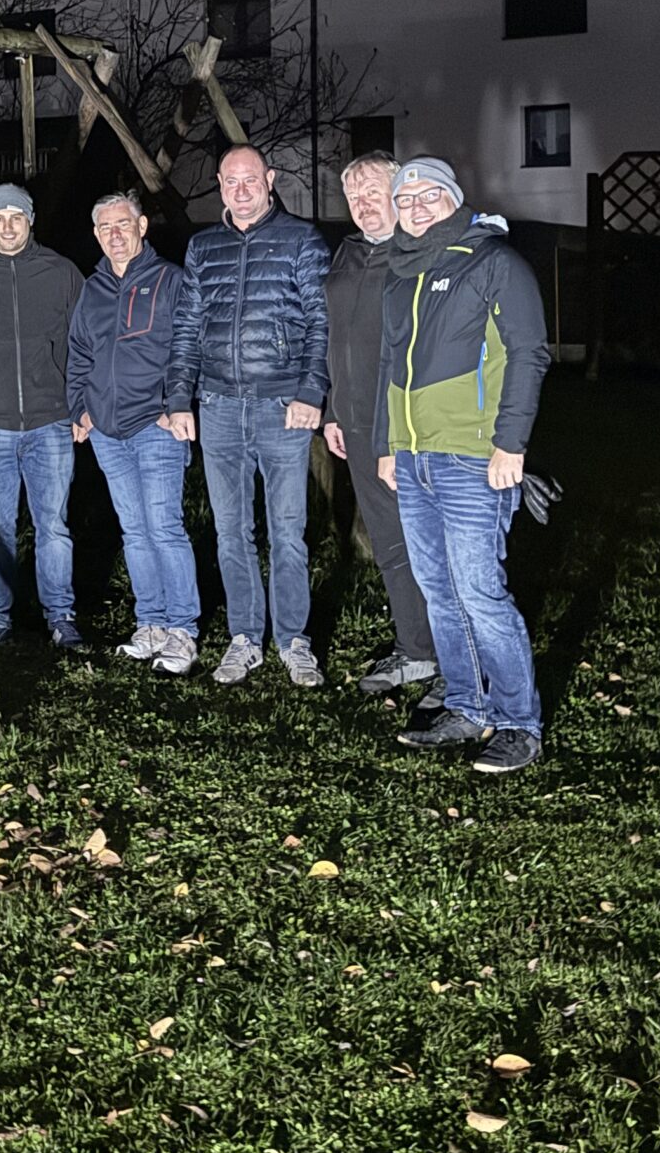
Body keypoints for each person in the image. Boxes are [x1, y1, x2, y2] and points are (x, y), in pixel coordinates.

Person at [374, 157, 553, 775]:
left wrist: (511, 445)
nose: (416, 209)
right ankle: (464, 703)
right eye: (406, 200)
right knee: (439, 592)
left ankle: (516, 723)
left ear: (454, 199)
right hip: (415, 458)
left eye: (428, 197)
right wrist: (389, 445)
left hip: (474, 457)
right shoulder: (400, 274)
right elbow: (389, 366)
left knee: (479, 592)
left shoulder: (494, 262)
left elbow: (529, 354)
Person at [181, 145, 332, 686]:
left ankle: (293, 639)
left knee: (288, 531)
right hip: (219, 406)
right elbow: (186, 329)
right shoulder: (203, 247)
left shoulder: (302, 242)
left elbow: (321, 322)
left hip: (281, 406)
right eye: (230, 181)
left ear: (269, 180)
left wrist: (311, 392)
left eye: (250, 179)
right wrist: (180, 398)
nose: (241, 190)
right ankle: (245, 636)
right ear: (219, 185)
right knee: (230, 531)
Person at [67, 190, 203, 675]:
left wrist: (176, 405)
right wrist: (80, 410)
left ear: (142, 227)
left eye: (123, 224)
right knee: (135, 530)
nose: (115, 235)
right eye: (105, 228)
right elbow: (79, 353)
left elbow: (187, 347)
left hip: (156, 425)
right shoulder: (93, 288)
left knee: (164, 527)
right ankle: (151, 624)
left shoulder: (169, 280)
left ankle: (182, 630)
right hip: (107, 431)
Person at [321, 149, 439, 698]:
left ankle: (454, 654)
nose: (364, 205)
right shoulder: (346, 255)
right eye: (355, 196)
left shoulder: (417, 258)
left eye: (374, 193)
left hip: (408, 433)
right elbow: (335, 340)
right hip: (357, 427)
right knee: (390, 542)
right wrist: (333, 412)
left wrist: (396, 436)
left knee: (430, 544)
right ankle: (417, 650)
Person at [0, 184, 86, 647]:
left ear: (30, 221)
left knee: (54, 526)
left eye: (17, 217)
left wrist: (79, 405)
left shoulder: (62, 273)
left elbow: (82, 346)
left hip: (52, 423)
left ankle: (61, 616)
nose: (8, 227)